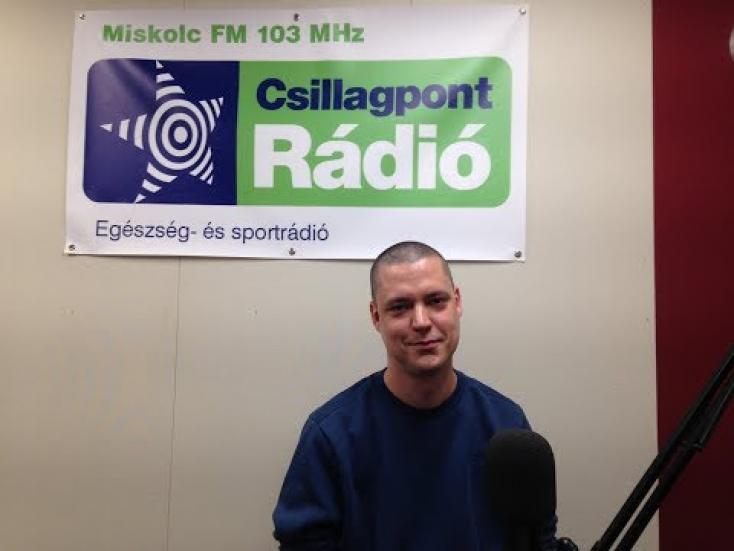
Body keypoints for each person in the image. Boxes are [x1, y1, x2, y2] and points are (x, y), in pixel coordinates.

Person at [273, 241, 557, 550]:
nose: (421, 322)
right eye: (400, 307)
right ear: (376, 316)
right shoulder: (331, 436)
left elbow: (537, 539)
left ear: (457, 302)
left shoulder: (506, 424)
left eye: (436, 301)